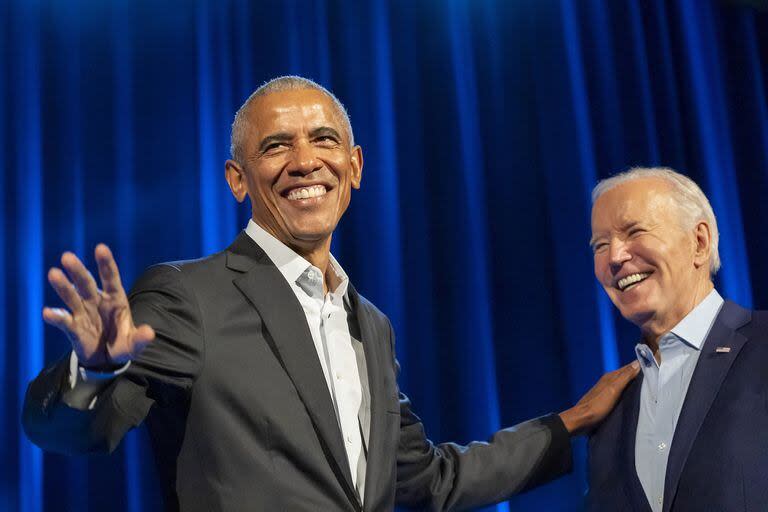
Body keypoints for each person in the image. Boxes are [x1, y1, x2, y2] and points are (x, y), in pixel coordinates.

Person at [23, 76, 637, 512]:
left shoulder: (368, 323)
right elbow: (73, 433)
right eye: (275, 146)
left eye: (322, 140)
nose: (304, 161)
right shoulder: (190, 296)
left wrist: (570, 422)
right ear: (238, 180)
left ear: (355, 166)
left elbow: (426, 479)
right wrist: (96, 372)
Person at [586, 167, 768, 511]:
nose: (614, 257)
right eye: (601, 244)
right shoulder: (608, 413)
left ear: (698, 242)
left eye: (635, 231)